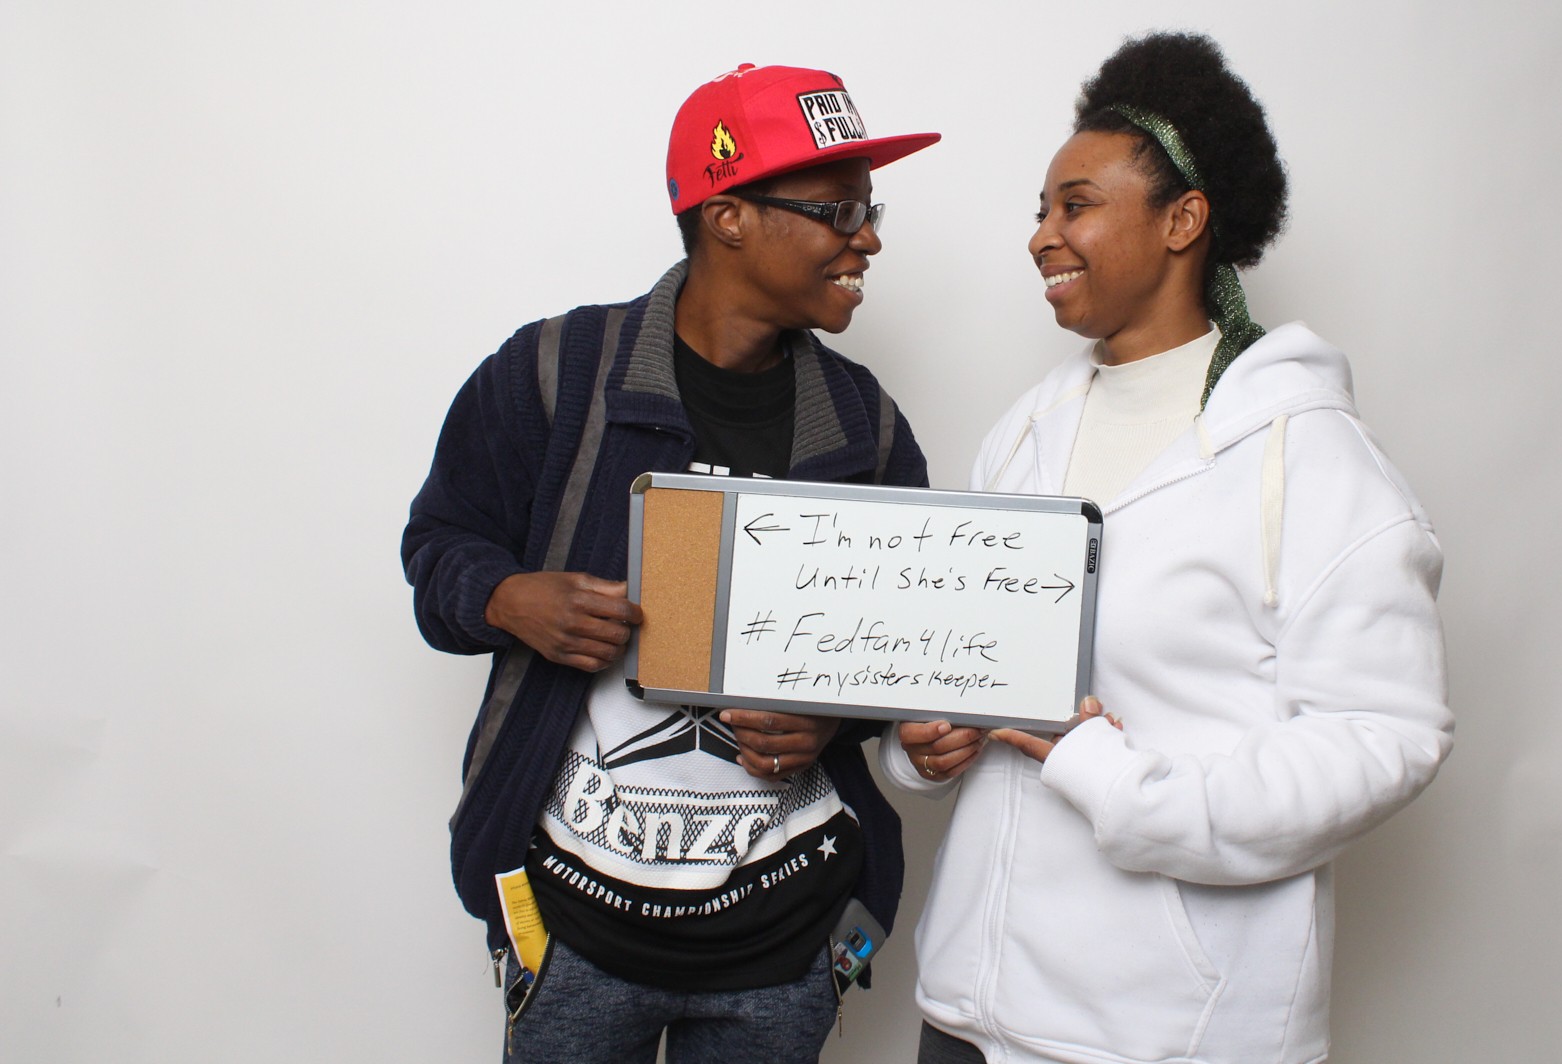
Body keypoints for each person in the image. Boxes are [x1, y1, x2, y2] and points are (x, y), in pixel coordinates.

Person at [886, 33, 1453, 1064]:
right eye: (1040, 211)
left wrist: (1123, 786)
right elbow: (957, 651)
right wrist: (923, 744)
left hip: (1165, 1033)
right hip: (966, 1012)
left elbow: (1384, 733)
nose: (1041, 237)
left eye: (1076, 204)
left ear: (1184, 218)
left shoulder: (1307, 454)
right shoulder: (1023, 430)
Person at [402, 63, 937, 1062]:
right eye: (837, 209)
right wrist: (511, 597)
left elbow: (906, 658)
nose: (865, 236)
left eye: (869, 209)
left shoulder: (862, 427)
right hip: (574, 931)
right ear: (728, 215)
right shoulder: (553, 374)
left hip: (787, 941)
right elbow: (435, 552)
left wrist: (829, 712)